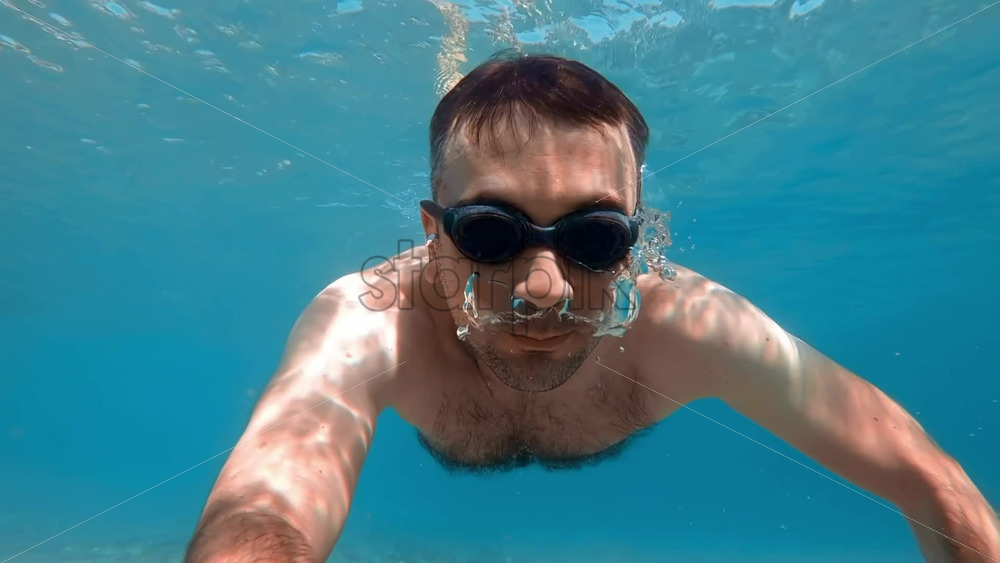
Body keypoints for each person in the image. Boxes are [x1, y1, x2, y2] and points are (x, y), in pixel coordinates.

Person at [184, 53, 999, 563]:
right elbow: (262, 509)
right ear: (434, 236)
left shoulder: (691, 325)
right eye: (493, 231)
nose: (544, 287)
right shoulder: (368, 318)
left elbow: (930, 481)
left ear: (640, 245)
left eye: (596, 236)